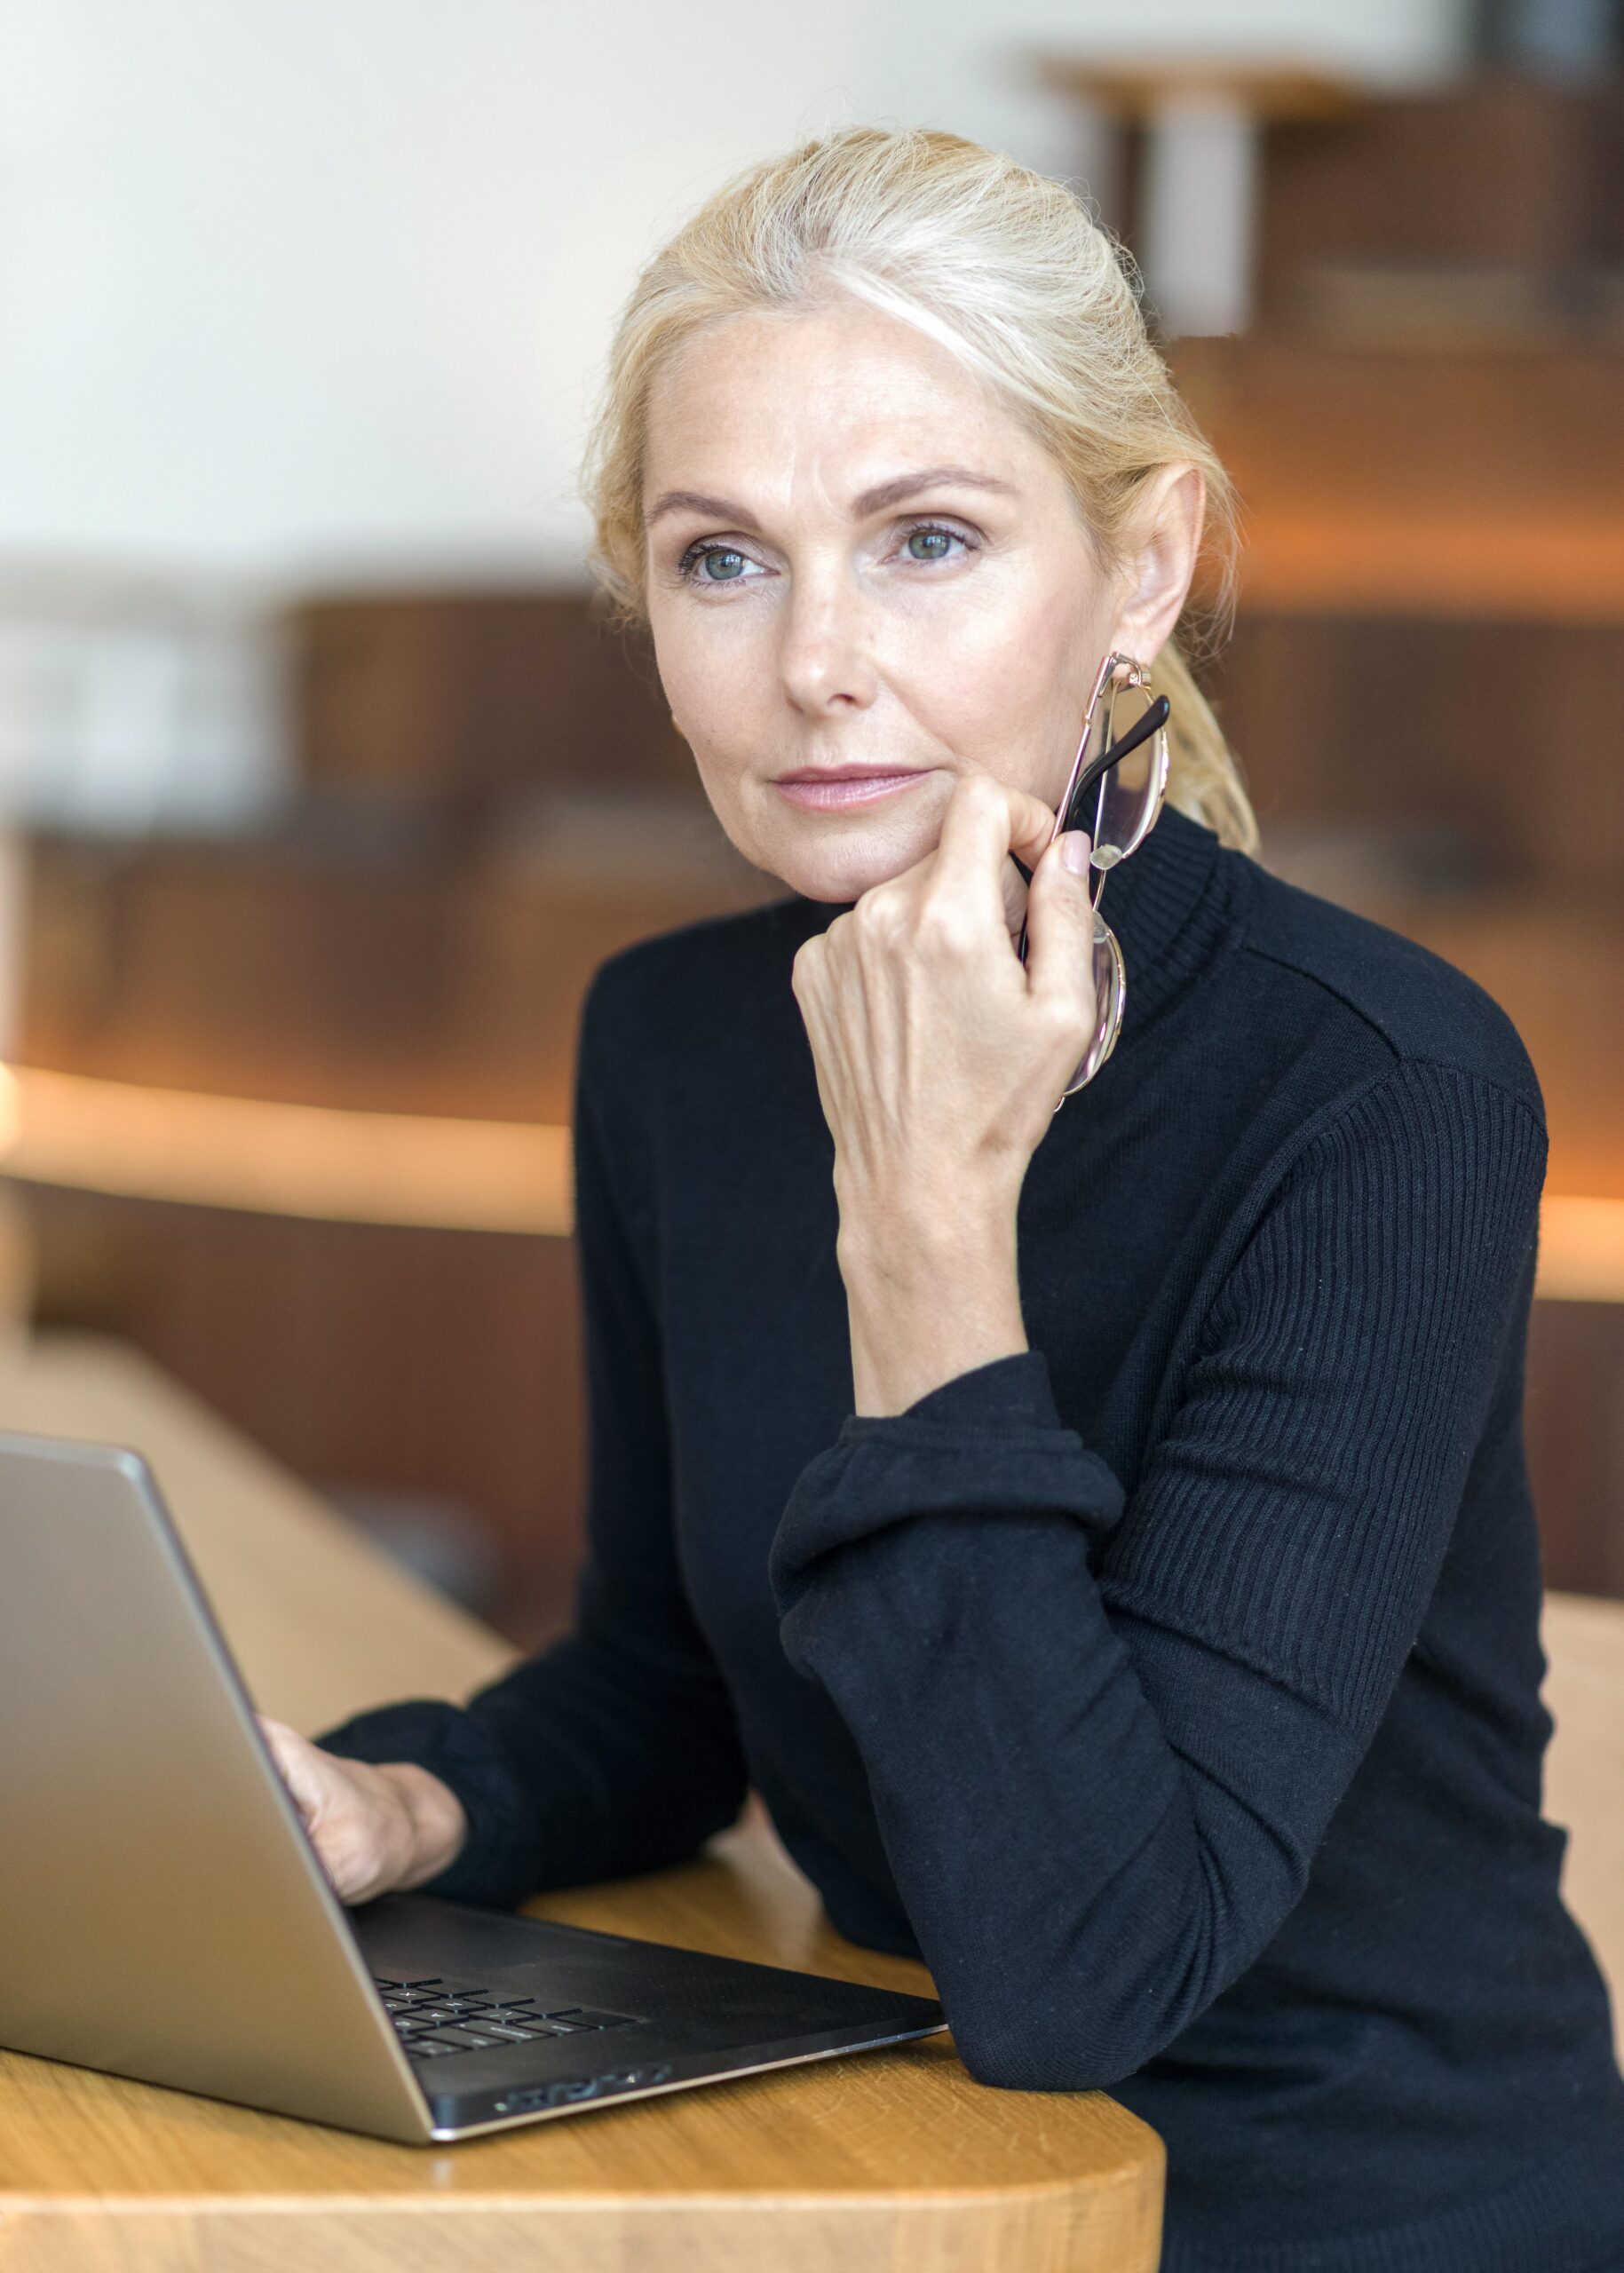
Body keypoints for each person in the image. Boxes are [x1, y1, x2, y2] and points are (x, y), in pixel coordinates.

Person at [260, 128, 1624, 2269]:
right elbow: (679, 1671)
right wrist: (411, 1801)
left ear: (1145, 565)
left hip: (1343, 2204)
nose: (817, 662)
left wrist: (923, 1230)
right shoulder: (676, 1037)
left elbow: (1087, 1964)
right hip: (902, 2154)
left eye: (926, 540)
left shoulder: (1386, 1093)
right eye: (725, 559)